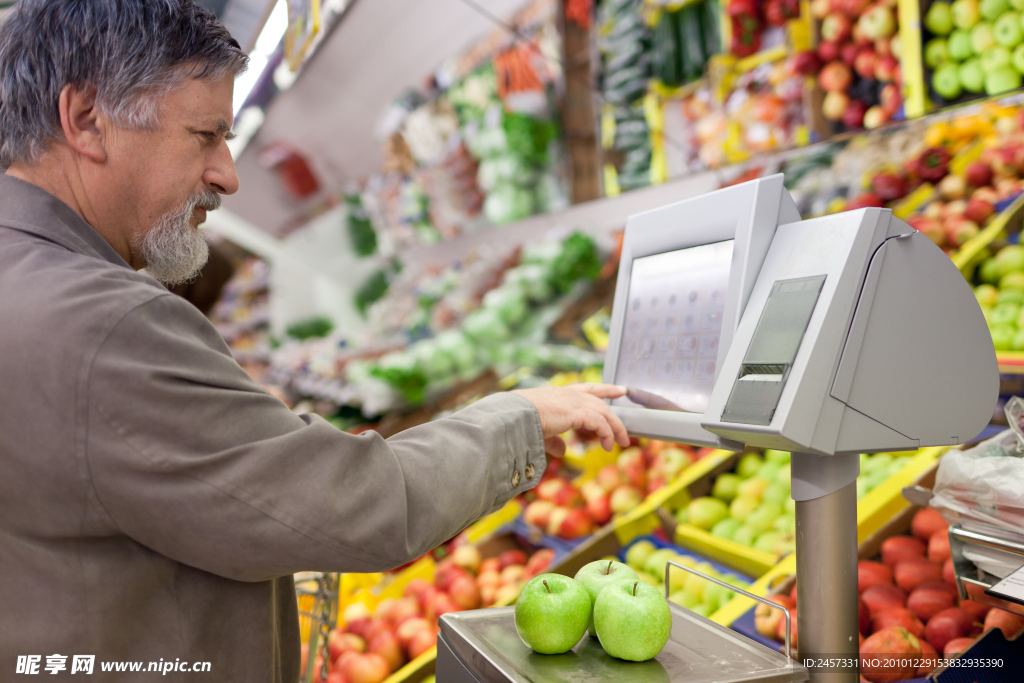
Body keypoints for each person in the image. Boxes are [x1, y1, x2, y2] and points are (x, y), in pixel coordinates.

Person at [0, 1, 629, 681]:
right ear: (88, 121)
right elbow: (353, 504)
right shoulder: (103, 323)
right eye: (206, 135)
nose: (228, 175)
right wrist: (520, 418)